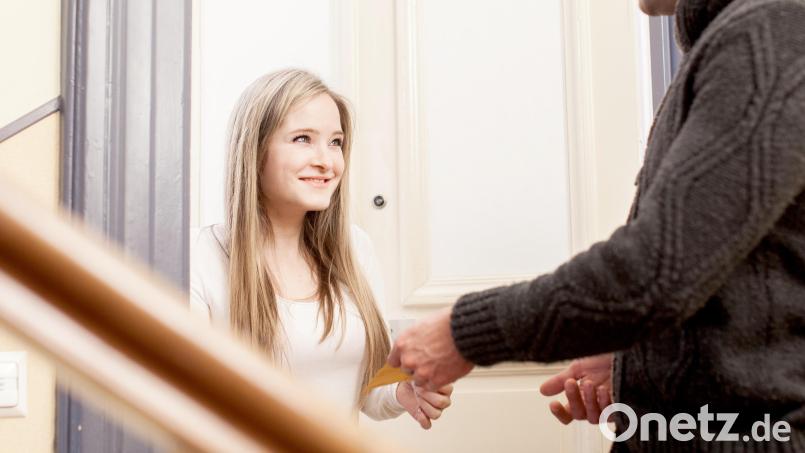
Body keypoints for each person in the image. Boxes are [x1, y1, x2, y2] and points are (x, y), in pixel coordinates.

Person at [388, 0, 805, 449]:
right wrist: (637, 363)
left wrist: (463, 332)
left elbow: (654, 272)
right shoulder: (745, 40)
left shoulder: (767, 34)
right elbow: (742, 276)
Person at [190, 69, 452, 428]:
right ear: (254, 149)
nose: (327, 162)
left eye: (335, 142)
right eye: (302, 139)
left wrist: (400, 393)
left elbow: (368, 388)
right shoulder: (200, 257)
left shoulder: (355, 249)